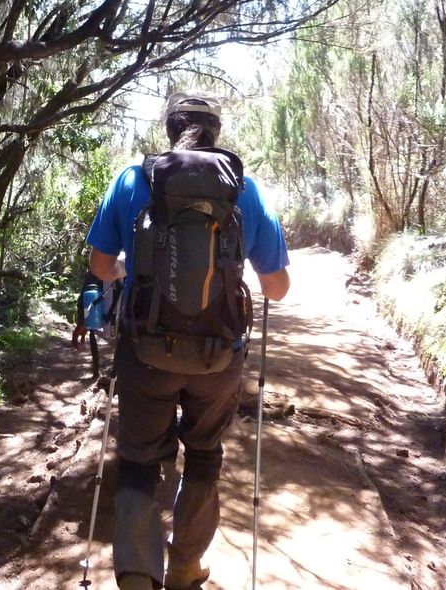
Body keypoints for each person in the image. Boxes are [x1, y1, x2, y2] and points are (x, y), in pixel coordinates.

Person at [85, 90, 290, 590]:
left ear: (170, 130)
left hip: (145, 350)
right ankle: (184, 568)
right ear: (216, 134)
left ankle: (137, 575)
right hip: (219, 356)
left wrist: (127, 273)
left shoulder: (134, 180)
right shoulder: (247, 189)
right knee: (202, 454)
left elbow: (98, 263)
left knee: (137, 458)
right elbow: (277, 288)